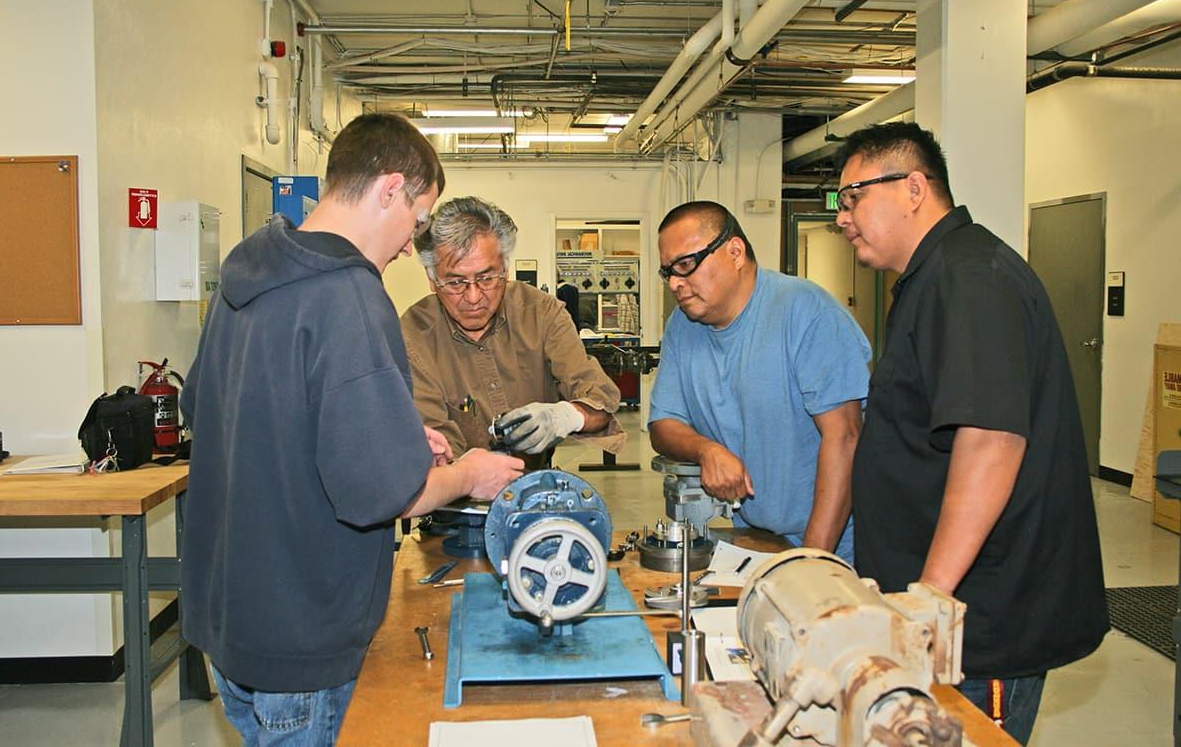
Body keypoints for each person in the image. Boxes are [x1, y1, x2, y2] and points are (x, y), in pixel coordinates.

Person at [180, 114, 524, 745]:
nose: (406, 245)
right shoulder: (348, 294)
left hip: (229, 622)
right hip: (303, 637)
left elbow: (206, 406)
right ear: (391, 188)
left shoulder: (247, 272)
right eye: (417, 220)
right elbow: (382, 496)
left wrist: (383, 432)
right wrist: (467, 474)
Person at [834, 121, 1108, 744]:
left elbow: (991, 440)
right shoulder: (934, 277)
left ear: (912, 188)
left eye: (853, 198)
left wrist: (931, 596)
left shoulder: (970, 278)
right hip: (941, 613)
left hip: (978, 627)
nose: (843, 217)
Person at [648, 201, 870, 562]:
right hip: (761, 539)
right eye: (667, 272)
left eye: (686, 265)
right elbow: (663, 424)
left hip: (837, 546)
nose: (675, 283)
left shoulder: (805, 312)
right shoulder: (682, 328)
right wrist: (707, 450)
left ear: (735, 252)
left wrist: (811, 564)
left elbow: (844, 438)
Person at [401, 196, 624, 471]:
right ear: (432, 279)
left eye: (486, 278)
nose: (473, 297)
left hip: (535, 482)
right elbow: (433, 442)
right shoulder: (414, 335)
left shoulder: (542, 314)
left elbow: (601, 402)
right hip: (454, 498)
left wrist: (565, 416)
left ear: (505, 270)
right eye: (456, 282)